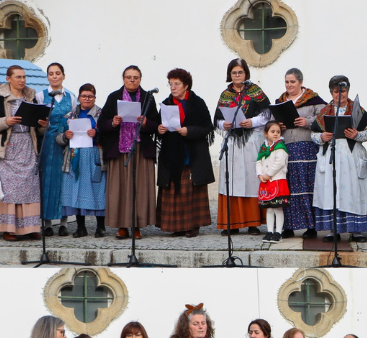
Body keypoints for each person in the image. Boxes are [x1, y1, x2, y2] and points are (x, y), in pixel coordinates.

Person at [0, 65, 44, 241]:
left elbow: (37, 130)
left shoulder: (31, 97)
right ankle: (8, 228)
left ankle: (30, 227)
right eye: (18, 77)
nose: (22, 80)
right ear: (8, 79)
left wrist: (42, 126)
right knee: (9, 188)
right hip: (6, 147)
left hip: (27, 145)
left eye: (24, 77)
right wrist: (6, 121)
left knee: (29, 187)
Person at [97, 65, 160, 240]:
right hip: (120, 150)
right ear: (123, 78)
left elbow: (157, 125)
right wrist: (113, 122)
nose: (132, 80)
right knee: (120, 188)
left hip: (141, 148)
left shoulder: (148, 98)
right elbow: (101, 125)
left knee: (139, 188)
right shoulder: (113, 97)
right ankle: (122, 226)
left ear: (140, 79)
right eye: (128, 77)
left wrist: (146, 122)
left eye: (136, 77)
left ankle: (138, 225)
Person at [311, 75, 367, 242]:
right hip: (331, 155)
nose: (340, 95)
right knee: (331, 191)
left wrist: (357, 134)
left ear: (348, 90)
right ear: (331, 93)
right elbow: (313, 134)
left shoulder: (358, 110)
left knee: (354, 192)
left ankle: (357, 230)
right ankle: (334, 230)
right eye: (336, 92)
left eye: (343, 91)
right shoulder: (325, 112)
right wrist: (322, 137)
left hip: (352, 156)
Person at [156, 68, 215, 238]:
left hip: (193, 153)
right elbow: (161, 125)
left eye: (177, 84)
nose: (173, 87)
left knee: (191, 191)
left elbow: (206, 127)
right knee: (174, 191)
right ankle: (177, 226)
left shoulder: (197, 103)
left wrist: (188, 130)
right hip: (172, 154)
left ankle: (192, 226)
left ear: (186, 86)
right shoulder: (166, 103)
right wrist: (160, 129)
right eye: (171, 84)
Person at [215, 58, 270, 236]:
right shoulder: (225, 94)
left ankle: (253, 223)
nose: (237, 75)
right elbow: (216, 118)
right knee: (231, 180)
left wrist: (251, 121)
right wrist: (223, 124)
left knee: (251, 181)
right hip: (232, 142)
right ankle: (232, 223)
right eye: (234, 73)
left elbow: (267, 114)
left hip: (251, 140)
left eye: (240, 72)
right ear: (229, 75)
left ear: (246, 73)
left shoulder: (256, 91)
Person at [275, 68, 326, 238]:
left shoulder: (314, 100)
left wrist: (308, 121)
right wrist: (278, 127)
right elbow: (270, 124)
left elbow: (325, 118)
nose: (289, 85)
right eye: (287, 82)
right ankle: (288, 226)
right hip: (286, 148)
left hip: (307, 149)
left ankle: (311, 227)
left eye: (292, 82)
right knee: (288, 187)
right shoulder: (280, 101)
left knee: (307, 186)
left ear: (301, 82)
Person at [59, 84, 106, 238]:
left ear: (95, 98)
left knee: (98, 191)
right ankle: (81, 227)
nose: (87, 99)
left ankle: (100, 227)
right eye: (84, 96)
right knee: (76, 191)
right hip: (74, 157)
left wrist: (97, 133)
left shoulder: (102, 115)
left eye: (90, 96)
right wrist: (66, 136)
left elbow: (111, 137)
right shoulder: (69, 116)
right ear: (78, 98)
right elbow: (57, 138)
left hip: (94, 155)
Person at [36, 63, 76, 236]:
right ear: (47, 77)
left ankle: (64, 222)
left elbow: (73, 120)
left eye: (57, 73)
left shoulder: (72, 97)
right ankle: (47, 223)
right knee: (47, 180)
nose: (54, 76)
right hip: (46, 142)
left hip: (65, 142)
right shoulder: (39, 96)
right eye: (51, 74)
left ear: (63, 76)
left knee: (64, 179)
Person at [257, 121, 290, 243]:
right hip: (266, 182)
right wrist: (260, 174)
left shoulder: (280, 147)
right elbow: (258, 161)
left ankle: (278, 232)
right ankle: (269, 231)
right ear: (266, 133)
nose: (275, 134)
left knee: (278, 208)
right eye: (272, 131)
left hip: (277, 180)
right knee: (269, 209)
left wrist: (268, 174)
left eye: (278, 132)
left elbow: (279, 163)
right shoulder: (263, 148)